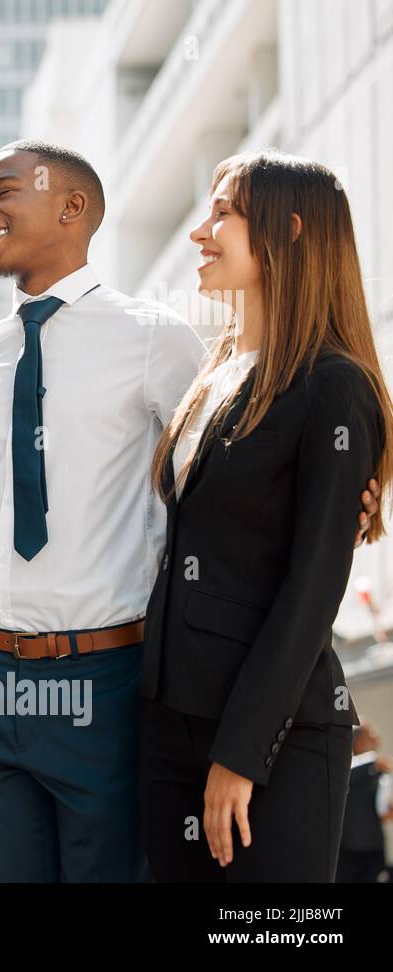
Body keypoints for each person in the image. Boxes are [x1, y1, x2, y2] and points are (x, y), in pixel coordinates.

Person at [0, 140, 208, 882]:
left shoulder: (156, 338)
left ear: (72, 207)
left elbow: (212, 489)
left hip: (104, 681)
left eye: (3, 191)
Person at [140, 150, 392, 882]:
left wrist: (239, 754)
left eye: (223, 213)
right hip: (166, 722)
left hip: (269, 741)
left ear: (288, 231)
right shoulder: (214, 375)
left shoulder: (333, 388)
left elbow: (311, 591)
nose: (200, 233)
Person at [337, 723, 392, 882]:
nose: (376, 737)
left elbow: (384, 811)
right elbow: (349, 772)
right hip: (348, 849)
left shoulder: (379, 772)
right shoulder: (346, 767)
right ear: (358, 740)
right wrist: (373, 760)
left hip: (374, 849)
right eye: (371, 734)